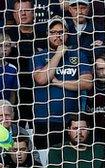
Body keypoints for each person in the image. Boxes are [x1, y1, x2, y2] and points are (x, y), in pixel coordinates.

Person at [32, 17, 93, 149]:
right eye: (53, 32)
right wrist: (58, 54)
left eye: (61, 32)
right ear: (47, 35)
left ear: (67, 33)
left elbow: (87, 83)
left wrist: (58, 83)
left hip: (72, 123)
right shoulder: (38, 56)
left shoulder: (78, 55)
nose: (57, 35)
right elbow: (42, 79)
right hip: (45, 121)